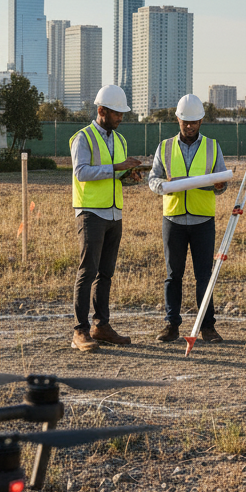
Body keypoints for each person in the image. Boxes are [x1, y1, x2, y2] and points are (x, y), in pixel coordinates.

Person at [70, 84, 145, 352]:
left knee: (106, 273)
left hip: (114, 213)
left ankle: (100, 326)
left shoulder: (120, 140)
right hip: (91, 213)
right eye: (116, 114)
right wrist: (115, 167)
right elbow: (82, 172)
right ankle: (79, 331)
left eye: (122, 114)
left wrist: (129, 176)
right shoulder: (83, 138)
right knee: (87, 272)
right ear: (101, 111)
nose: (120, 119)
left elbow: (114, 176)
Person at [148, 94, 227, 343]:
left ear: (201, 120)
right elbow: (153, 180)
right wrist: (166, 186)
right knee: (174, 275)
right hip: (173, 220)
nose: (190, 126)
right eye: (185, 122)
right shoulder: (165, 147)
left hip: (203, 220)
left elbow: (221, 184)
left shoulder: (213, 147)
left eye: (194, 122)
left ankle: (208, 327)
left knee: (204, 276)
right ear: (178, 120)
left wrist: (219, 186)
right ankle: (171, 325)